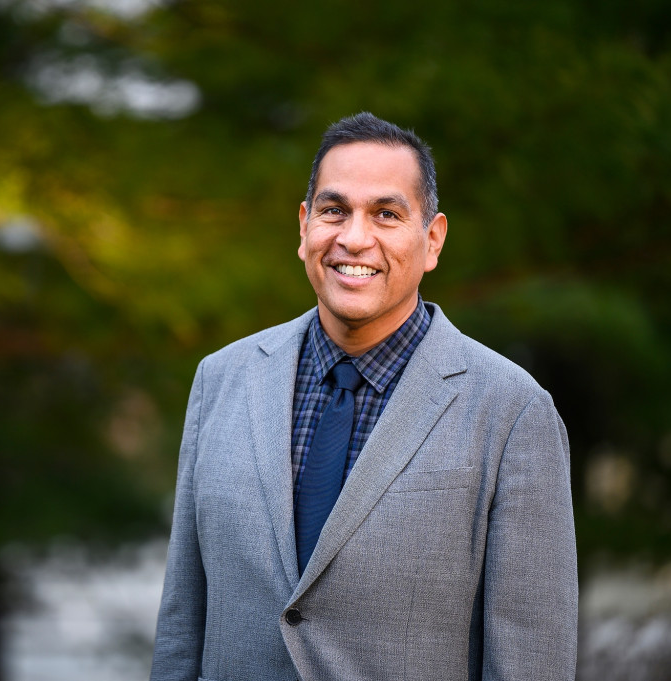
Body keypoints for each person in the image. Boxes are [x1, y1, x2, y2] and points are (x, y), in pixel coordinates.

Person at [149, 112, 577, 681]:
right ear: (304, 227)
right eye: (334, 210)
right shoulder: (222, 379)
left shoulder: (512, 411)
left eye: (386, 214)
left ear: (432, 240)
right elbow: (183, 624)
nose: (353, 237)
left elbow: (531, 661)